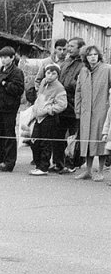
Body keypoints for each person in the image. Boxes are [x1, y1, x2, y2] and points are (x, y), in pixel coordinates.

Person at [74, 45, 111, 181]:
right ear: (85, 57)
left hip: (102, 111)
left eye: (95, 54)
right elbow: (78, 92)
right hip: (85, 113)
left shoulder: (107, 69)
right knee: (87, 142)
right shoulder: (83, 71)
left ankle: (100, 171)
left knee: (101, 141)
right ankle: (88, 170)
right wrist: (78, 110)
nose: (93, 57)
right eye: (89, 55)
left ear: (99, 56)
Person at [52, 37, 85, 173]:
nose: (68, 49)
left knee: (73, 137)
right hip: (61, 104)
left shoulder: (83, 64)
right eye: (68, 46)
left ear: (80, 48)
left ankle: (71, 163)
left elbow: (80, 85)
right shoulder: (65, 62)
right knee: (58, 135)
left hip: (73, 105)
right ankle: (58, 162)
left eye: (72, 46)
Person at [28, 63, 67, 176]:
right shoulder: (43, 83)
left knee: (45, 143)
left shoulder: (59, 87)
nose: (50, 75)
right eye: (48, 73)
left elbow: (62, 104)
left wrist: (50, 110)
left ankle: (43, 166)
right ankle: (38, 164)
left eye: (53, 73)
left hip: (49, 118)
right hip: (38, 117)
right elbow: (39, 98)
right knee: (34, 141)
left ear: (57, 75)